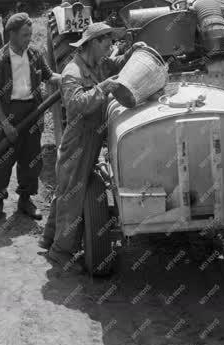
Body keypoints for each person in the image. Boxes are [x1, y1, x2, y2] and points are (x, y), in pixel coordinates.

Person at [40, 23, 146, 272]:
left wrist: (131, 53)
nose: (110, 48)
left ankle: (48, 238)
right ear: (93, 43)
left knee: (66, 187)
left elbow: (116, 64)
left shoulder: (97, 64)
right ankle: (61, 252)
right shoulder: (72, 72)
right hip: (78, 141)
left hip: (91, 138)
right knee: (73, 195)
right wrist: (102, 89)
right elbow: (74, 105)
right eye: (106, 43)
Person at [0, 12, 61, 221]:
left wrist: (68, 78)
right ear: (12, 35)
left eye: (30, 34)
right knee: (3, 161)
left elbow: (49, 76)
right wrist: (5, 124)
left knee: (32, 160)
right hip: (8, 116)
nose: (29, 39)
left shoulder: (34, 54)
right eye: (25, 35)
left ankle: (25, 199)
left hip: (32, 113)